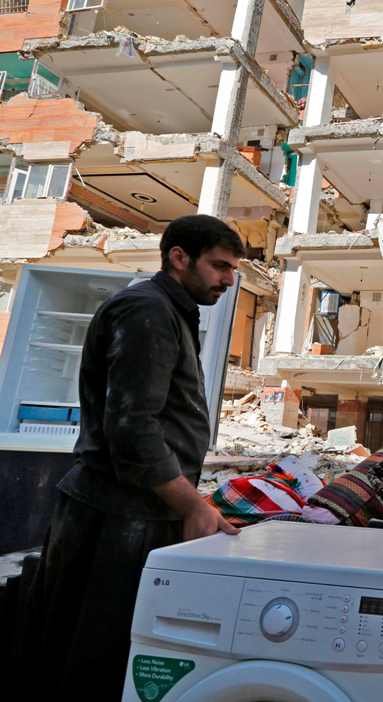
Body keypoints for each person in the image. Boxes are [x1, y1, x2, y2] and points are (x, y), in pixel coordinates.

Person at [25, 214, 244, 697]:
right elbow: (133, 428)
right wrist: (191, 505)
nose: (229, 280)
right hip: (113, 517)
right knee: (89, 659)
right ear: (178, 257)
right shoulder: (146, 311)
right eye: (219, 266)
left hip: (135, 510)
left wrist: (190, 498)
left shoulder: (170, 310)